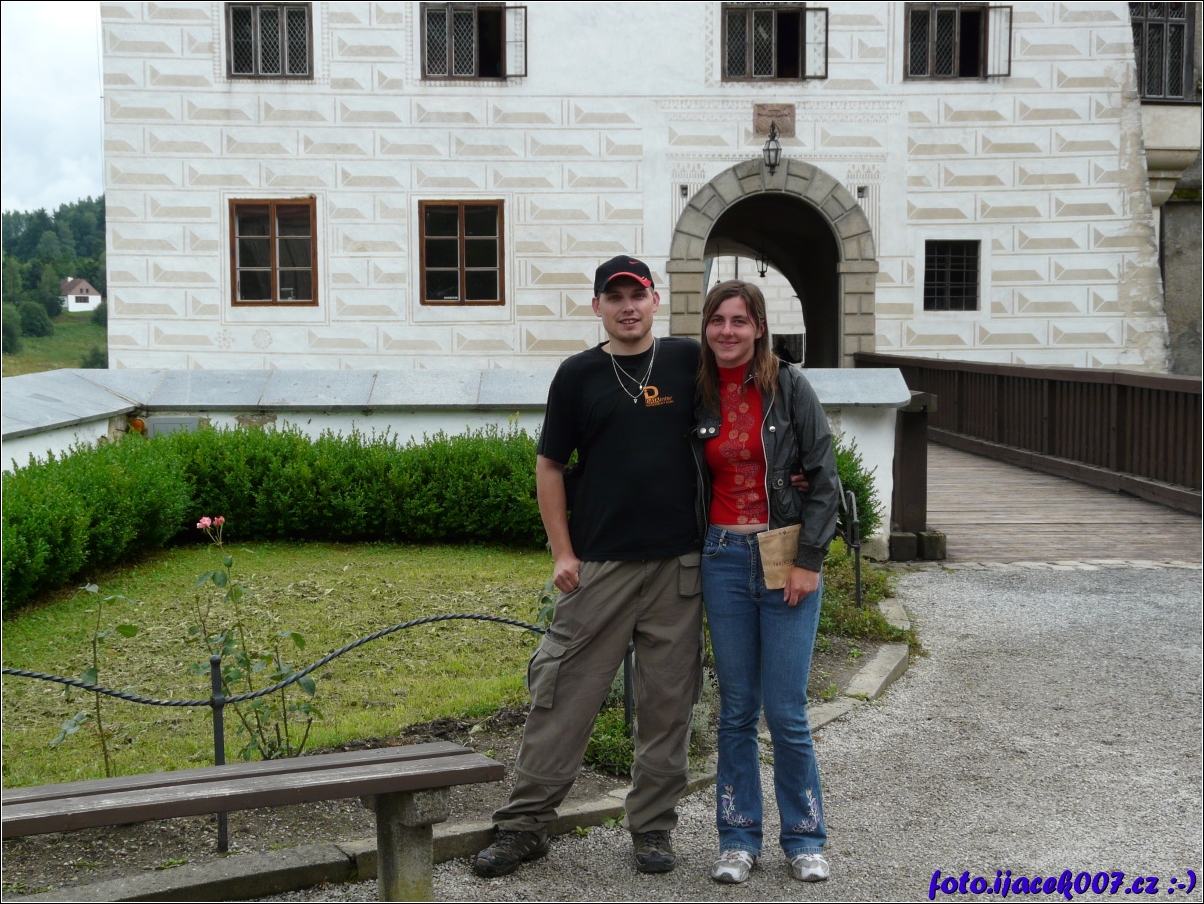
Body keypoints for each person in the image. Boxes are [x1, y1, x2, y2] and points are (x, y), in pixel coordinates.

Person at [474, 256, 704, 878]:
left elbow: (741, 419)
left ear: (656, 301)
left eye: (638, 295)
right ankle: (525, 826)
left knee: (667, 706)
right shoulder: (578, 374)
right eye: (615, 296)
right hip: (600, 565)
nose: (628, 307)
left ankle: (652, 828)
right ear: (598, 305)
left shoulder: (688, 361)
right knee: (562, 696)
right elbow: (550, 465)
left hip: (679, 567)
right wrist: (562, 552)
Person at [693, 279, 839, 885]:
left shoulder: (789, 386)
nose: (727, 331)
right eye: (717, 320)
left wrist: (810, 559)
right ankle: (737, 839)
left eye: (739, 320)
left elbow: (824, 476)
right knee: (735, 712)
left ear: (758, 328)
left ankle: (804, 838)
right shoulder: (696, 391)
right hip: (722, 556)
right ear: (706, 327)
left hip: (783, 557)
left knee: (785, 712)